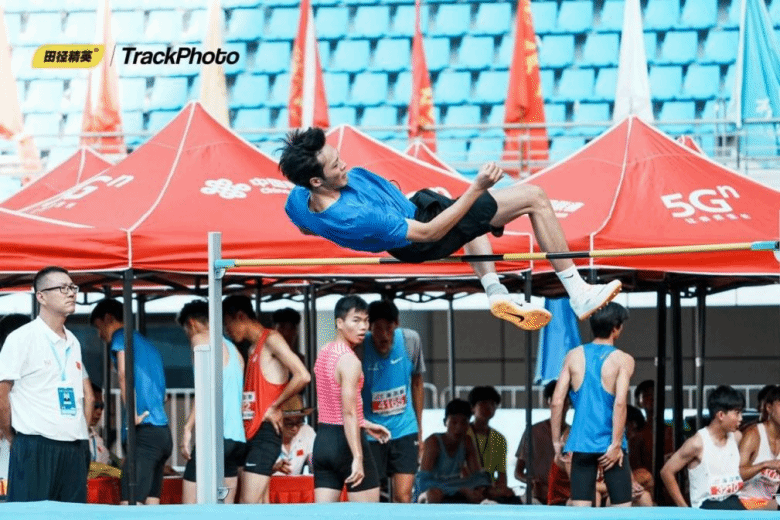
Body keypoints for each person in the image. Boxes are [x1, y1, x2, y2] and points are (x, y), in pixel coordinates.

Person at [279, 128, 622, 332]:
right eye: (335, 166)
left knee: (464, 215)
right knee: (534, 197)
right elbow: (429, 234)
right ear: (316, 181)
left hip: (412, 208)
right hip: (422, 235)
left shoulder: (299, 200)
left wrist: (328, 228)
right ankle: (578, 292)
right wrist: (477, 187)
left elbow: (307, 227)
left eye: (339, 157)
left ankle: (497, 293)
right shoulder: (356, 216)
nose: (344, 165)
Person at [0, 267, 91, 502]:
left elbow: (84, 396)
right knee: (30, 514)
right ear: (41, 296)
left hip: (74, 445)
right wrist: (11, 435)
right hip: (35, 444)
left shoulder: (74, 341)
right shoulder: (21, 338)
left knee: (73, 515)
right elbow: (2, 392)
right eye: (62, 288)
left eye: (72, 287)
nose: (70, 293)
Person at [222, 294, 311, 504]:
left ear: (240, 316)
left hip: (266, 433)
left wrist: (275, 406)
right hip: (251, 432)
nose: (226, 330)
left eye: (227, 323)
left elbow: (303, 375)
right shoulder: (252, 349)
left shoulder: (271, 339)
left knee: (248, 505)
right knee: (259, 506)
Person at [550, 302, 635, 508]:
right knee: (622, 510)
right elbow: (620, 403)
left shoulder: (573, 356)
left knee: (581, 511)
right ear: (616, 328)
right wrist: (616, 444)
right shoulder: (623, 360)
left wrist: (556, 442)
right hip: (610, 444)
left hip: (580, 442)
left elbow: (557, 401)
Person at [90, 298, 172, 505]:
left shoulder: (121, 337)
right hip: (162, 433)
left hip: (144, 432)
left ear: (108, 319)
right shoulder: (148, 345)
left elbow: (124, 374)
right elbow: (164, 395)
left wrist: (132, 412)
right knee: (151, 503)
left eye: (99, 327)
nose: (100, 335)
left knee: (129, 504)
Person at [312, 295, 390, 503]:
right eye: (356, 320)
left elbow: (331, 403)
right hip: (346, 444)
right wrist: (357, 457)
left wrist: (366, 424)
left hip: (323, 441)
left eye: (366, 321)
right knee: (367, 515)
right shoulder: (349, 361)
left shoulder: (324, 352)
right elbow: (347, 412)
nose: (363, 327)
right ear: (339, 323)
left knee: (323, 517)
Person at [177, 299, 247, 504]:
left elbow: (203, 388)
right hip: (236, 438)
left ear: (191, 323)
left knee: (191, 506)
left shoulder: (200, 339)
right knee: (225, 508)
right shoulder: (234, 350)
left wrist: (188, 428)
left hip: (215, 436)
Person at [358, 299, 425, 503]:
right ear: (369, 327)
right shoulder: (360, 347)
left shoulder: (410, 341)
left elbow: (417, 383)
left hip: (404, 429)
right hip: (372, 433)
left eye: (388, 328)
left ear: (396, 324)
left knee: (403, 497)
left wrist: (419, 429)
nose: (384, 336)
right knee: (370, 497)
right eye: (378, 329)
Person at [661, 385, 745, 509]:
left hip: (734, 502)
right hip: (707, 507)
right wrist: (684, 509)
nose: (741, 418)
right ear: (721, 415)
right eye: (737, 413)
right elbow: (666, 472)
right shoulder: (697, 443)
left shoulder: (737, 437)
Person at [416, 398, 491, 504]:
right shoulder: (434, 442)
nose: (458, 427)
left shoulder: (467, 441)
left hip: (456, 486)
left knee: (490, 491)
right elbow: (423, 481)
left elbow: (477, 476)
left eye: (464, 423)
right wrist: (460, 489)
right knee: (434, 495)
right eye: (454, 422)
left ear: (468, 425)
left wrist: (480, 488)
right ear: (445, 422)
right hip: (434, 488)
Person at [515, 379, 570, 504]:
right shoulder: (533, 431)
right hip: (536, 497)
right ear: (548, 402)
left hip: (564, 497)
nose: (561, 402)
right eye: (556, 398)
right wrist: (531, 481)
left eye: (565, 398)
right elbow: (518, 472)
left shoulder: (573, 433)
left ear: (569, 402)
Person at [466, 386, 518, 503]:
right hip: (466, 485)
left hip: (489, 487)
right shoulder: (463, 434)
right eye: (483, 403)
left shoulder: (499, 439)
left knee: (510, 495)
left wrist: (501, 489)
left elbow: (501, 475)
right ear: (472, 408)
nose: (489, 407)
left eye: (493, 404)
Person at [737, 384, 780, 510]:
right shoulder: (753, 435)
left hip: (771, 504)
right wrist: (764, 465)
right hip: (747, 503)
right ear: (769, 408)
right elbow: (737, 474)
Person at [272, 394, 316, 476]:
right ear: (278, 421)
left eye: (299, 422)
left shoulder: (307, 431)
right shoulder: (266, 435)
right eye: (289, 424)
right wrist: (273, 468)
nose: (295, 428)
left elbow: (313, 463)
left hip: (295, 483)